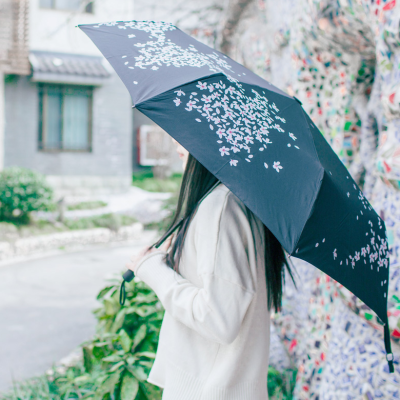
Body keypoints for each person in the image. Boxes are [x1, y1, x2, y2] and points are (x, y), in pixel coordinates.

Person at [126, 140, 293, 400]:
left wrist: (153, 271)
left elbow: (218, 319)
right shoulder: (243, 201)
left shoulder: (220, 207)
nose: (174, 142)